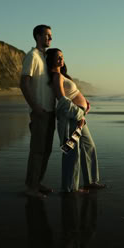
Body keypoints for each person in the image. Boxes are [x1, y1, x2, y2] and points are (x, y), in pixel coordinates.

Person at [46, 48, 105, 193]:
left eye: (62, 57)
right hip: (73, 119)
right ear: (51, 60)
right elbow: (62, 100)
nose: (61, 59)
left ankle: (90, 181)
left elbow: (73, 93)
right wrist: (79, 114)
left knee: (88, 146)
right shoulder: (56, 77)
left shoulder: (63, 75)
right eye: (57, 57)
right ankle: (70, 188)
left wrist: (85, 103)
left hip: (79, 117)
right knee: (72, 152)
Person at [20, 25, 55, 198]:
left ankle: (37, 182)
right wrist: (35, 108)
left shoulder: (46, 58)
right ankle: (30, 188)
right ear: (37, 36)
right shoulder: (32, 56)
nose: (50, 39)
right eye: (47, 35)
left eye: (50, 36)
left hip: (50, 111)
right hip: (40, 111)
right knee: (37, 151)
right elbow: (24, 83)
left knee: (46, 150)